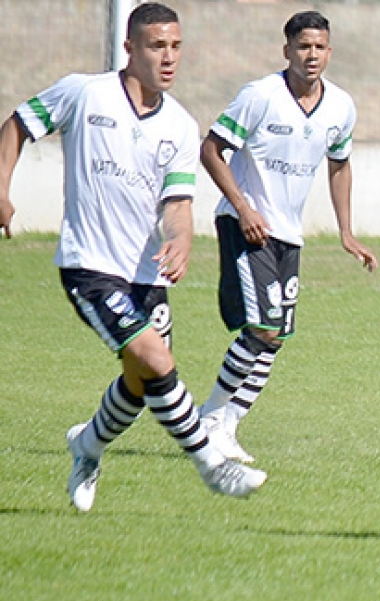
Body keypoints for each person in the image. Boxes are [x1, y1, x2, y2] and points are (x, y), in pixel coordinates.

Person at [0, 2, 266, 511]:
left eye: (175, 47)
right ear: (129, 48)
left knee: (141, 382)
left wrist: (181, 238)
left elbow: (178, 203)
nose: (168, 58)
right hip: (90, 266)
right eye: (156, 46)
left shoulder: (182, 126)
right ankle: (211, 464)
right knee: (155, 357)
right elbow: (17, 125)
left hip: (146, 273)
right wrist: (2, 188)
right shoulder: (85, 92)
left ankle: (87, 446)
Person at [196, 10, 377, 463]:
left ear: (329, 52)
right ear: (287, 51)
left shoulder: (340, 106)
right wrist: (243, 207)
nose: (311, 55)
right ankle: (209, 419)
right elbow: (212, 150)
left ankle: (228, 425)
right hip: (246, 226)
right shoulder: (260, 96)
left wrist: (346, 232)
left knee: (276, 338)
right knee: (262, 327)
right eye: (302, 46)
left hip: (288, 235)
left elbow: (340, 164)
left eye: (319, 47)